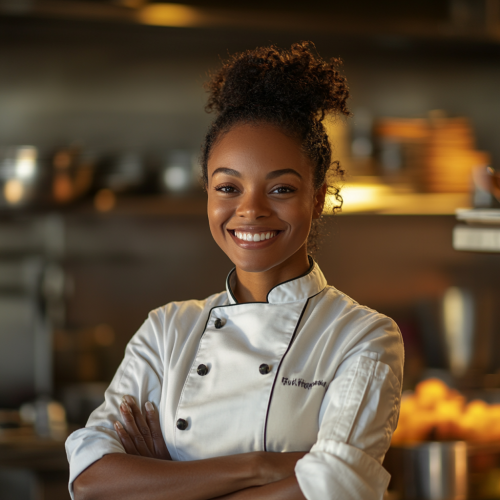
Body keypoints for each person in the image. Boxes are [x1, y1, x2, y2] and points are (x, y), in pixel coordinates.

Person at [66, 42, 404, 500]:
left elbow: (336, 486)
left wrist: (166, 483)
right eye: (228, 186)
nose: (251, 211)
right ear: (208, 193)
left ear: (318, 198)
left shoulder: (361, 336)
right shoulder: (167, 331)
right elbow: (90, 478)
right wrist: (263, 466)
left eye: (281, 188)